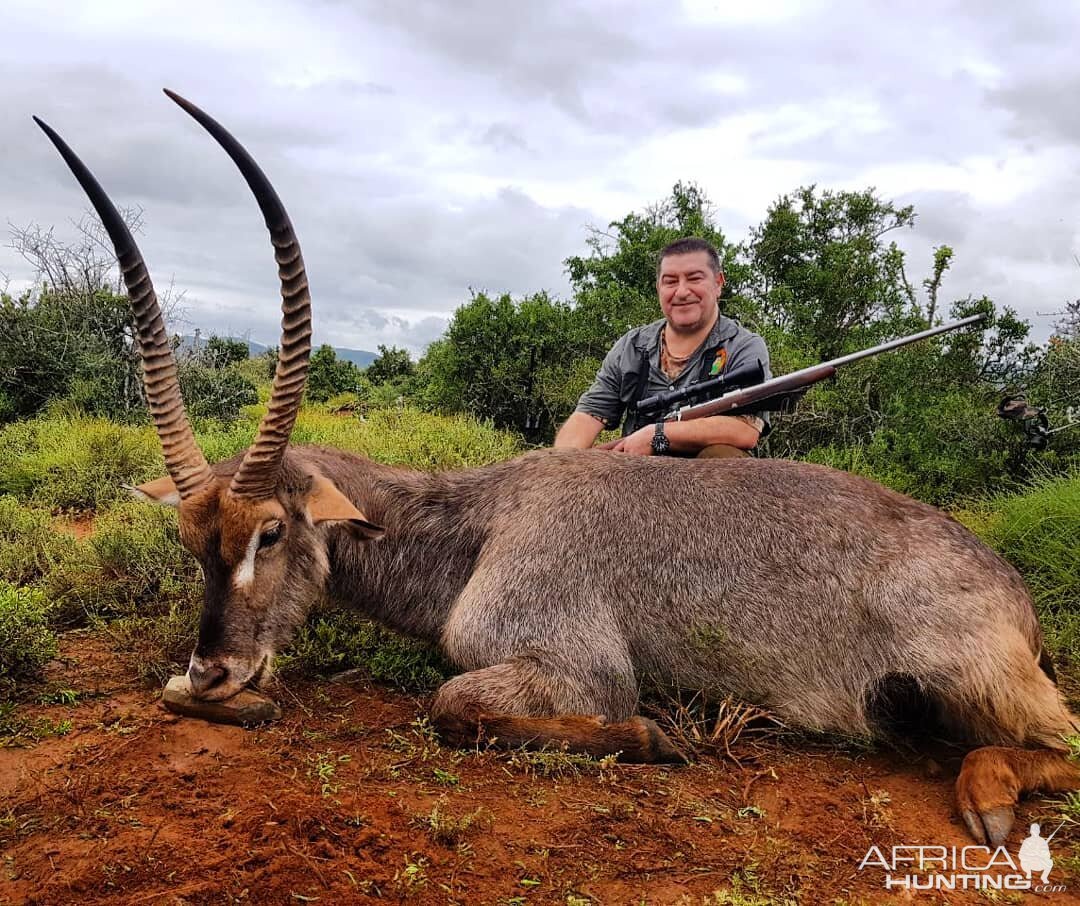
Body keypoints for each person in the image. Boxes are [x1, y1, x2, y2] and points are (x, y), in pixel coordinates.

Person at [554, 237, 771, 457]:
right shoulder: (631, 347)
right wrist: (560, 463)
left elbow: (745, 430)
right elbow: (589, 415)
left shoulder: (743, 347)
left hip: (709, 482)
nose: (682, 291)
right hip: (636, 472)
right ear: (659, 287)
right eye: (670, 281)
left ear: (718, 283)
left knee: (722, 455)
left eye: (694, 278)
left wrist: (658, 434)